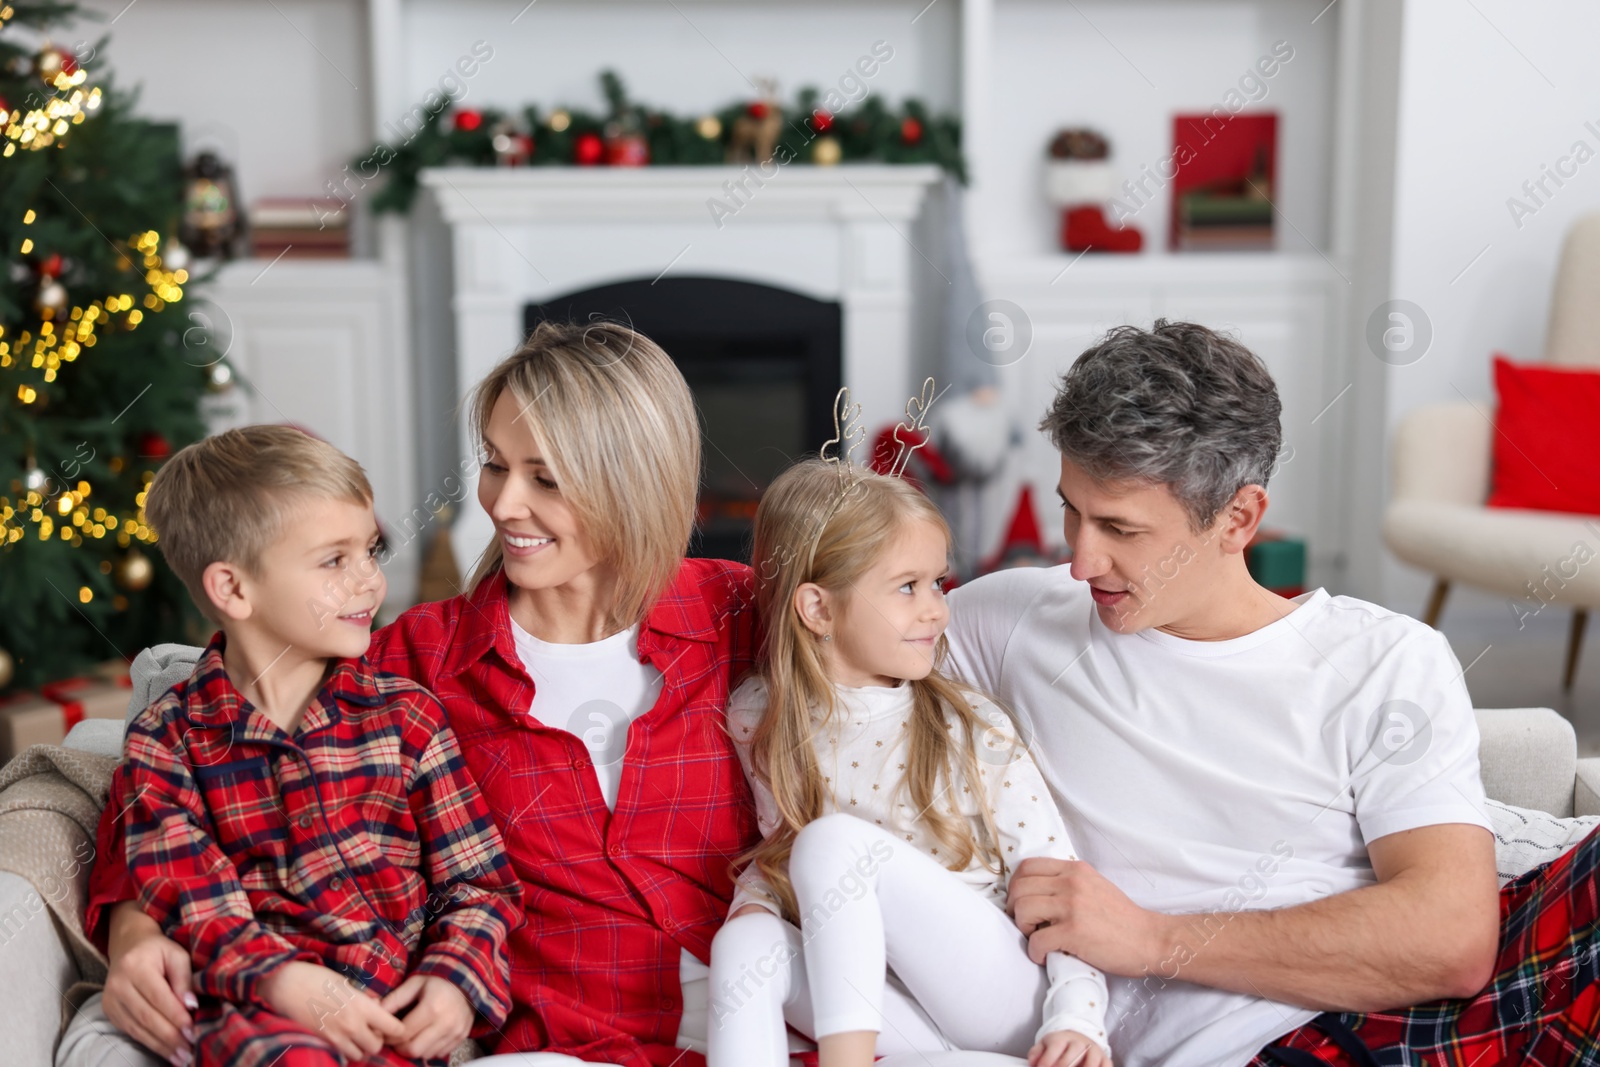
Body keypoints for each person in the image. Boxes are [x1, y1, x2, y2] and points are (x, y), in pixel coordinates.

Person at [75, 321, 763, 1067]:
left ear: (634, 482)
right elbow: (179, 767)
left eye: (546, 478)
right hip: (566, 1043)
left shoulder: (740, 615)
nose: (503, 505)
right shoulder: (418, 662)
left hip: (766, 1021)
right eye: (496, 465)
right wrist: (136, 927)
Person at [944, 320, 1599, 1066]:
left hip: (1409, 1021)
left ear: (1240, 518)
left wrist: (1148, 937)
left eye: (1120, 527)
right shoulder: (1008, 622)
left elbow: (1452, 938)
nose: (1080, 558)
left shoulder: (1384, 659)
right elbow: (822, 672)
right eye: (1071, 510)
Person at [119, 425, 523, 1066]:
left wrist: (453, 981)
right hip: (267, 1018)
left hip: (401, 1017)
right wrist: (282, 982)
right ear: (233, 589)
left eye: (370, 552)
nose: (369, 582)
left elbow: (478, 886)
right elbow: (189, 900)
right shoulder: (167, 741)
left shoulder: (408, 718)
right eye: (334, 561)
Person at [709, 457, 1110, 1067]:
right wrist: (753, 913)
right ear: (817, 610)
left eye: (937, 583)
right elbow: (778, 856)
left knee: (832, 845)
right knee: (743, 944)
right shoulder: (757, 716)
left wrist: (1079, 1020)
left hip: (1000, 1002)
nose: (936, 610)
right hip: (892, 1016)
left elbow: (1059, 888)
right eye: (907, 587)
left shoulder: (971, 727)